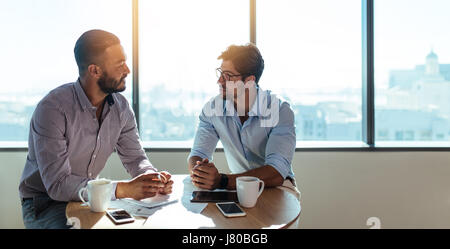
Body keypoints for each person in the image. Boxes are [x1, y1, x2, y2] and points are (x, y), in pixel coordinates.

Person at [19, 29, 173, 229]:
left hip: (91, 197)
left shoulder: (121, 108)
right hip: (45, 203)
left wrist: (152, 179)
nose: (127, 70)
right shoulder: (53, 109)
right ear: (94, 70)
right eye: (120, 65)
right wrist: (123, 189)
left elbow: (136, 158)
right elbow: (57, 185)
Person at [188, 43, 300, 199]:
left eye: (227, 76)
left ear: (249, 81)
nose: (219, 81)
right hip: (237, 185)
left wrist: (222, 181)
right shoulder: (212, 109)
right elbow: (198, 154)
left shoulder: (280, 110)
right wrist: (201, 174)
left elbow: (276, 172)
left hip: (278, 187)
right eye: (220, 73)